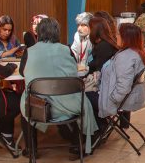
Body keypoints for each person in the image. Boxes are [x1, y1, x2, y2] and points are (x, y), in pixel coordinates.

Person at [20, 17, 98, 154]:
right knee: (81, 101)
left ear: (39, 32)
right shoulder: (66, 50)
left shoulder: (29, 51)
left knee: (24, 109)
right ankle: (76, 145)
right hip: (69, 106)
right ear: (57, 32)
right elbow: (74, 71)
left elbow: (22, 72)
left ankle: (31, 149)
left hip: (38, 107)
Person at [97, 23, 145, 121]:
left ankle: (98, 132)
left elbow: (124, 86)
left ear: (126, 37)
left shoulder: (126, 56)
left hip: (124, 98)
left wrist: (113, 98)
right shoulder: (138, 51)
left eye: (118, 34)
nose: (115, 36)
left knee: (88, 101)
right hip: (134, 95)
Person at [85, 16, 119, 120]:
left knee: (81, 96)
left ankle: (95, 127)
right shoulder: (108, 43)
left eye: (88, 27)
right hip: (112, 87)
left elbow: (99, 73)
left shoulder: (103, 47)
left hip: (105, 91)